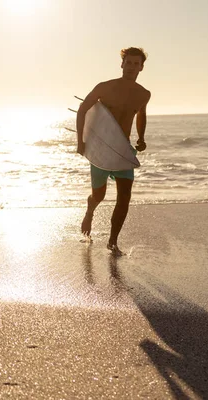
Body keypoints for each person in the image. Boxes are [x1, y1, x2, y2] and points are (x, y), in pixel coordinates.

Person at [76, 47, 151, 255]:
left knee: (124, 197)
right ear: (122, 64)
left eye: (136, 64)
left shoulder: (144, 94)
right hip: (100, 150)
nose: (132, 67)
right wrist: (80, 142)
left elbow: (141, 114)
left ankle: (113, 241)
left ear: (141, 67)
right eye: (128, 62)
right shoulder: (104, 87)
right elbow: (83, 110)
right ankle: (90, 210)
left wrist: (141, 137)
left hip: (123, 151)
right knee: (98, 196)